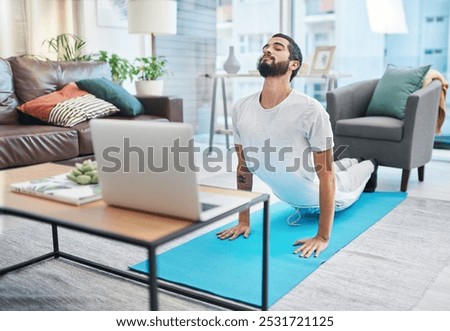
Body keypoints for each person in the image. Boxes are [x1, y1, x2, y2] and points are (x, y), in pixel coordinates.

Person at [216, 33, 377, 258]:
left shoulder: (310, 110)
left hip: (327, 194)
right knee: (340, 165)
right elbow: (244, 167)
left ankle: (369, 164)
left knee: (355, 173)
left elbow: (327, 176)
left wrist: (322, 237)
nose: (267, 50)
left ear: (294, 64)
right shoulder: (241, 108)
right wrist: (243, 220)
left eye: (277, 47)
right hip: (296, 191)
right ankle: (351, 161)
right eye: (266, 47)